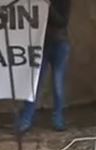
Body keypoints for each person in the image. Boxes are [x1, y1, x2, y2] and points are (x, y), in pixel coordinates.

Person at [18, 0, 72, 133]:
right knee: (35, 82)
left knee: (57, 83)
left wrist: (48, 6)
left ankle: (58, 118)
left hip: (59, 44)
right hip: (41, 44)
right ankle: (26, 119)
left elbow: (62, 21)